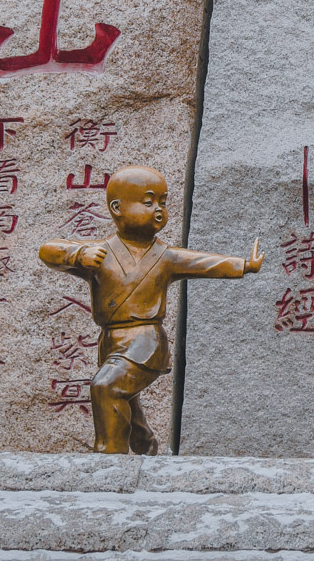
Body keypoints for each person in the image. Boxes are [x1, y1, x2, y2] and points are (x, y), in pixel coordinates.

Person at [40, 166, 263, 454]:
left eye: (163, 202)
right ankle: (145, 443)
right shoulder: (99, 254)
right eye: (148, 202)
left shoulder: (165, 257)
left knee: (106, 387)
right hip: (111, 341)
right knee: (126, 397)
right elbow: (47, 251)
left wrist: (244, 265)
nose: (158, 209)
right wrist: (78, 254)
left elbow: (203, 262)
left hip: (146, 340)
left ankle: (110, 458)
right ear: (117, 208)